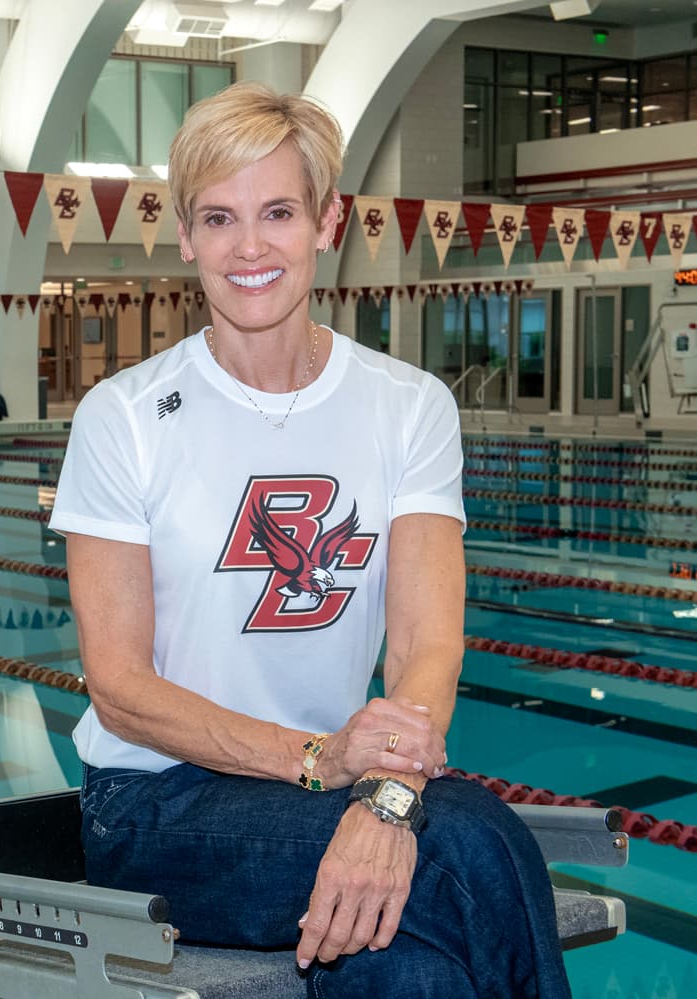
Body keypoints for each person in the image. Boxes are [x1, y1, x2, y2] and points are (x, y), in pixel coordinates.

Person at [49, 81, 571, 997]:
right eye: (218, 217)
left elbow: (424, 644)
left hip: (342, 789)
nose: (249, 246)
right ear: (186, 237)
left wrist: (388, 798)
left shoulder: (409, 406)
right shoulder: (123, 417)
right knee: (467, 847)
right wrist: (318, 760)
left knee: (405, 954)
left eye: (278, 211)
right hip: (158, 804)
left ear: (328, 222)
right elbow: (122, 691)